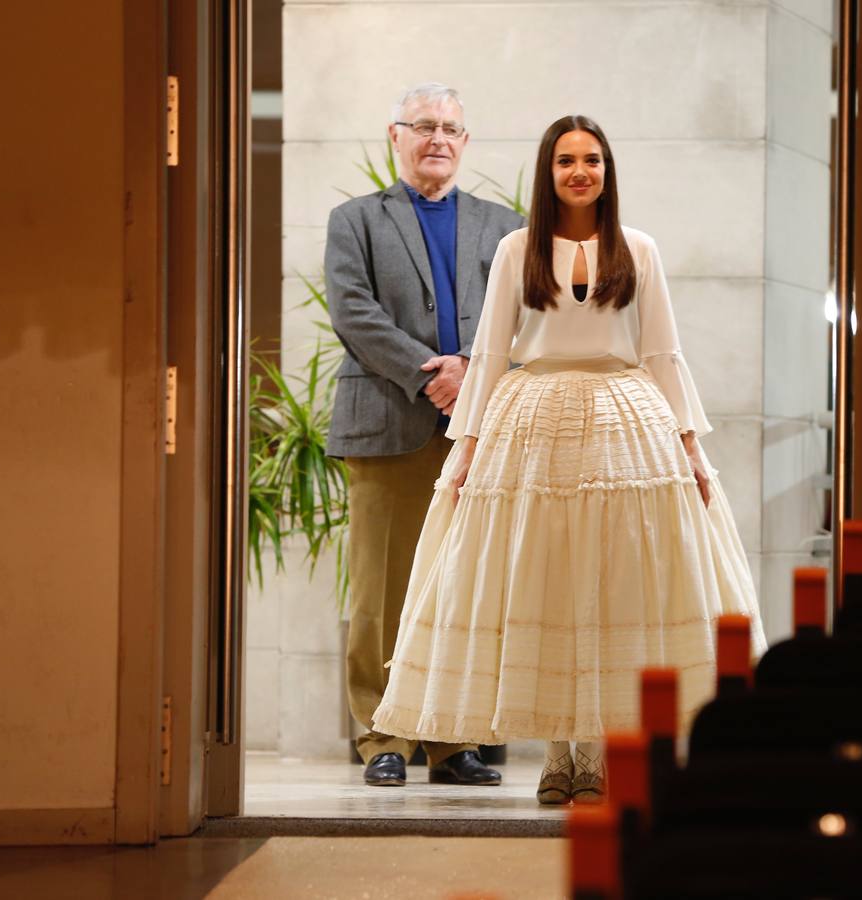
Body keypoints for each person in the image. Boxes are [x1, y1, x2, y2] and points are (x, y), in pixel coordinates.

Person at [372, 115, 767, 804]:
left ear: (607, 171)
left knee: (616, 584)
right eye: (565, 161)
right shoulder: (516, 249)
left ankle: (603, 753)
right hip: (534, 428)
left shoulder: (638, 249)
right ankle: (559, 756)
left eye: (591, 159)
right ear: (547, 172)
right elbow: (491, 352)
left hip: (628, 426)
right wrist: (465, 451)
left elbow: (662, 352)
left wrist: (692, 449)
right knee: (544, 581)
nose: (579, 171)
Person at [325, 83, 523, 788]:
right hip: (388, 424)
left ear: (465, 143)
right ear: (395, 136)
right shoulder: (355, 220)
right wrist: (430, 372)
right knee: (383, 588)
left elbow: (522, 314)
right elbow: (352, 310)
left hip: (479, 433)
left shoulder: (505, 225)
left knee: (464, 587)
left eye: (451, 129)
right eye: (423, 126)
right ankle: (385, 734)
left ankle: (453, 740)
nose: (437, 138)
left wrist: (471, 372)